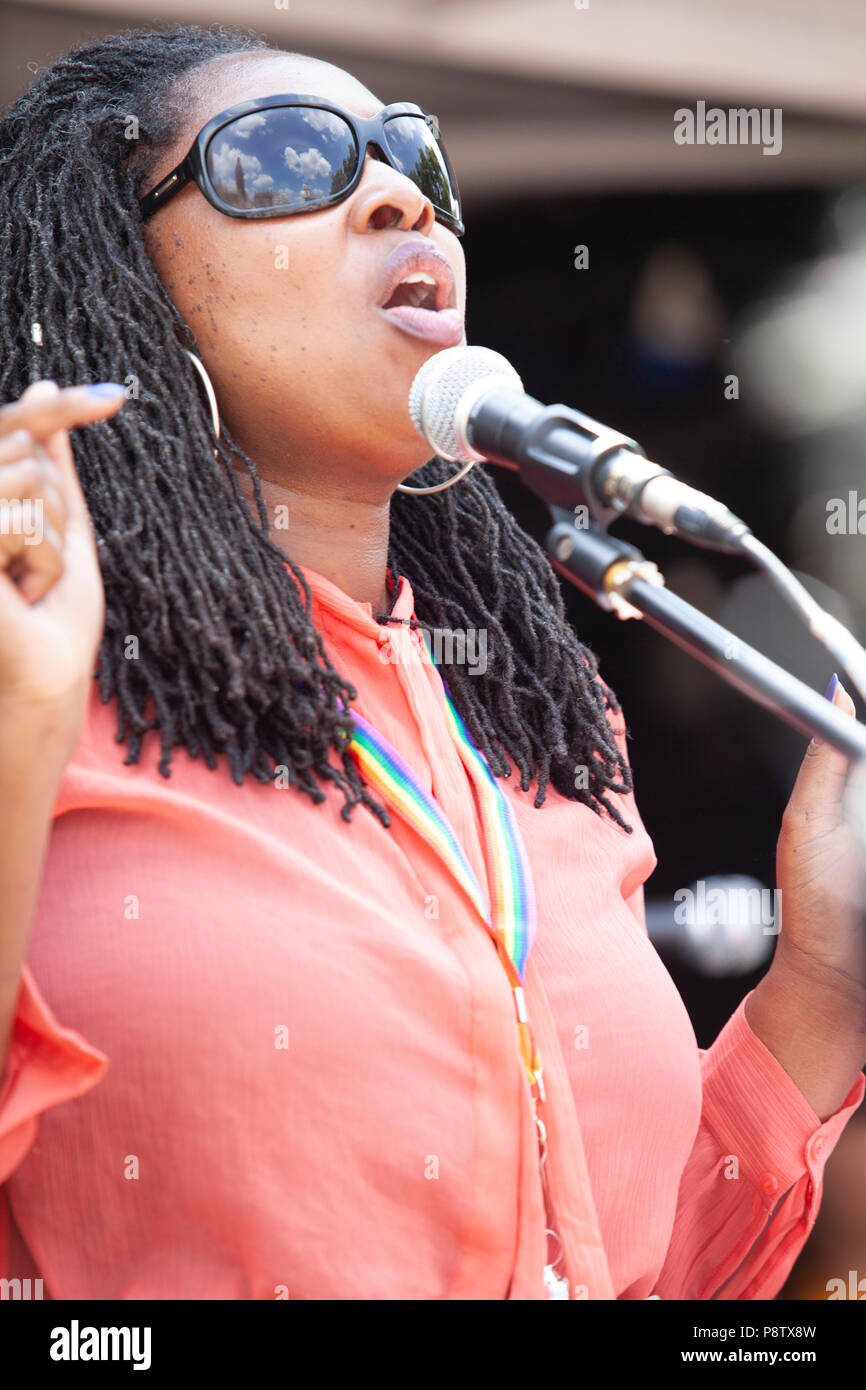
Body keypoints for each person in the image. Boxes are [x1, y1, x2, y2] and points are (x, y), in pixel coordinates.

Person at [0, 25, 863, 1301]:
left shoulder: (540, 739)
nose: (400, 192)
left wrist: (825, 977)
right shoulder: (38, 685)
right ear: (124, 281)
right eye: (288, 157)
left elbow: (645, 1278)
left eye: (417, 159)